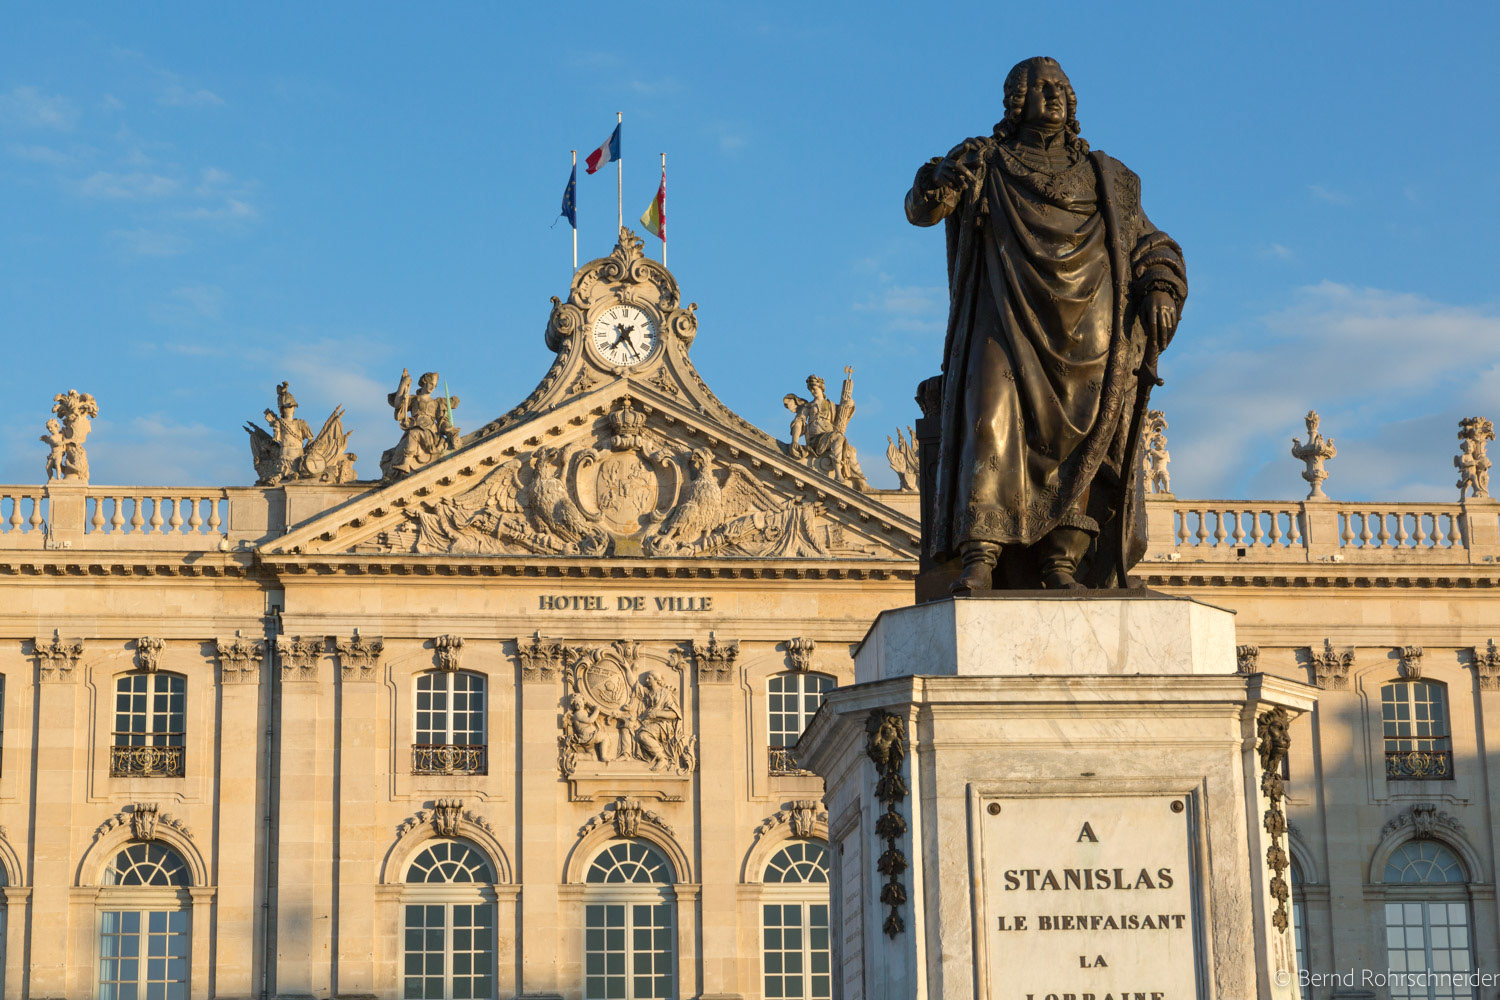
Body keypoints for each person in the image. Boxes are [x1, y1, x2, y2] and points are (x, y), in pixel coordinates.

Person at [905, 56, 1186, 591]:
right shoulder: (985, 161)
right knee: (989, 421)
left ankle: (1062, 560)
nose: (1052, 96)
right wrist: (937, 179)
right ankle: (979, 555)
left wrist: (1162, 285)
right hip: (1003, 313)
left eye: (1060, 87)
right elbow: (924, 209)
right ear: (1015, 100)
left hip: (1090, 328)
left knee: (1083, 438)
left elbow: (1152, 243)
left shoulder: (1110, 177)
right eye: (1037, 87)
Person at [381, 370, 461, 480]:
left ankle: (405, 463)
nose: (433, 387)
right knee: (390, 454)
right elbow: (398, 404)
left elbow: (443, 421)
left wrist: (451, 432)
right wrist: (403, 384)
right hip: (415, 427)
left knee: (414, 433)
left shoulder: (437, 403)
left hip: (429, 433)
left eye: (435, 385)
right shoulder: (414, 399)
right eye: (431, 384)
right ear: (424, 382)